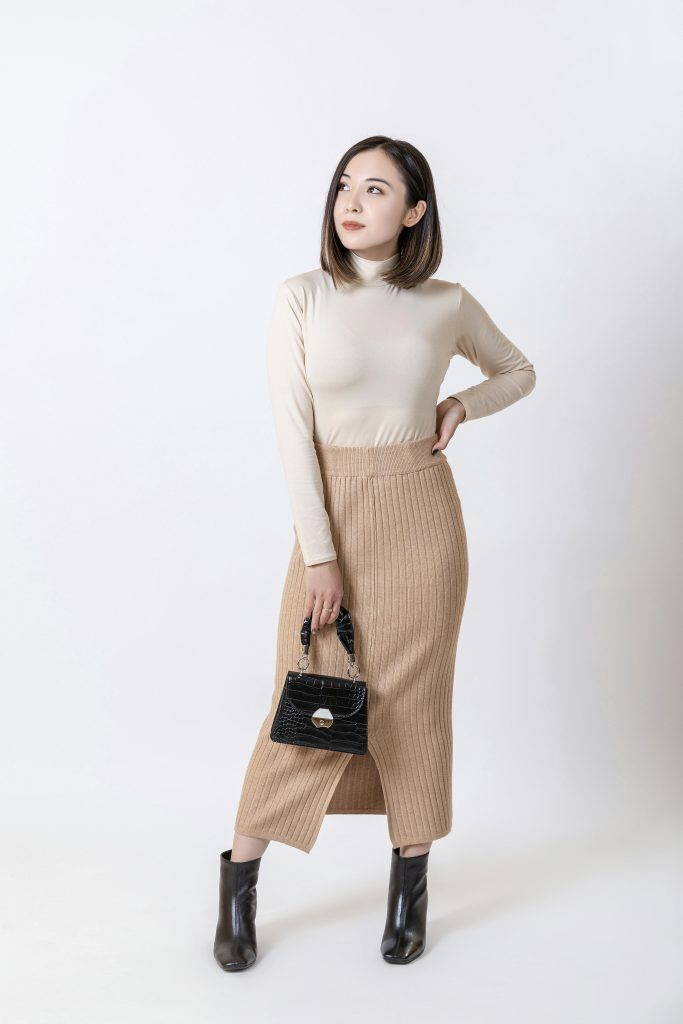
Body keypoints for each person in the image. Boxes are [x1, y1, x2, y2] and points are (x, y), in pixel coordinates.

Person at [213, 135, 537, 970]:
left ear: (415, 211)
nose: (351, 202)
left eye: (377, 189)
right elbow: (291, 435)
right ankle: (239, 887)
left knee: (412, 707)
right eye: (344, 186)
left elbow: (517, 370)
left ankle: (410, 889)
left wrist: (461, 403)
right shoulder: (302, 296)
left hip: (421, 518)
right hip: (333, 516)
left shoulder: (444, 301)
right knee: (305, 701)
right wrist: (319, 555)